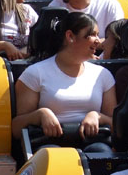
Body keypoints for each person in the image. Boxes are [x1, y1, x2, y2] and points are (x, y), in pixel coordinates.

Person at [12, 12, 115, 149]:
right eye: (92, 34)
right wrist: (40, 115)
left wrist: (97, 116)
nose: (98, 40)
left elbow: (116, 125)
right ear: (70, 36)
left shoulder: (103, 75)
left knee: (100, 151)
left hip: (92, 143)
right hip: (49, 143)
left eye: (98, 35)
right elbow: (17, 129)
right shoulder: (35, 73)